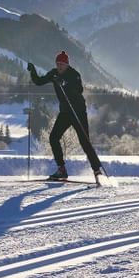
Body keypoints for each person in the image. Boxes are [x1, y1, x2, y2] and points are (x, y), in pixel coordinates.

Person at [27, 51, 107, 183]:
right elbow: (39, 81)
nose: (59, 66)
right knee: (53, 137)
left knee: (85, 141)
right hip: (65, 113)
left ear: (67, 64)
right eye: (58, 63)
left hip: (78, 112)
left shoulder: (74, 74)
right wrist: (32, 71)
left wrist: (64, 83)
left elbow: (79, 90)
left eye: (62, 64)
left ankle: (97, 171)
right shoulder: (54, 73)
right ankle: (61, 170)